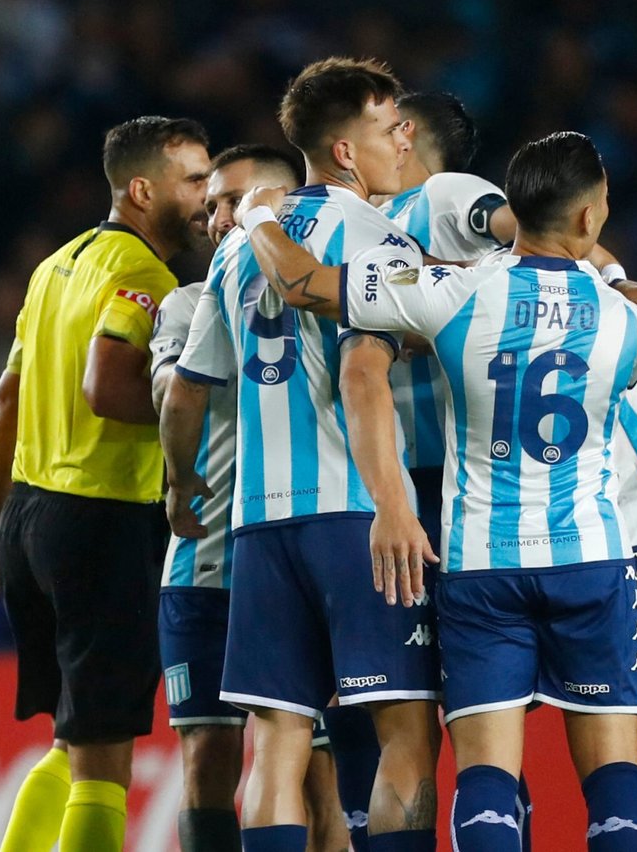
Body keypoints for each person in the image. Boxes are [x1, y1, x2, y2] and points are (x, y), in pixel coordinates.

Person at [237, 130, 637, 851]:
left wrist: (256, 219)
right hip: (589, 559)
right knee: (617, 771)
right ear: (591, 219)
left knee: (487, 774)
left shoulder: (452, 291)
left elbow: (306, 284)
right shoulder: (630, 324)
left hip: (482, 565)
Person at [162, 58, 440, 852]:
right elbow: (366, 372)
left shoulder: (230, 254)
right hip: (355, 517)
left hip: (256, 527)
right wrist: (394, 501)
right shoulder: (377, 235)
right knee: (405, 734)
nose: (404, 141)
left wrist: (183, 488)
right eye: (390, 128)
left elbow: (187, 395)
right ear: (346, 151)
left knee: (277, 744)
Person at [0, 115, 211, 852]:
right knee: (104, 760)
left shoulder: (57, 266)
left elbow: (8, 399)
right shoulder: (144, 277)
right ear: (140, 189)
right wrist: (206, 412)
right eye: (192, 179)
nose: (204, 195)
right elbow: (106, 387)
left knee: (70, 740)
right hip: (102, 521)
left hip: (30, 517)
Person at [150, 143, 349, 852]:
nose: (216, 219)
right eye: (209, 208)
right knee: (208, 762)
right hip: (206, 561)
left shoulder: (328, 287)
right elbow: (175, 396)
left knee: (321, 775)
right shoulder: (184, 306)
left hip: (302, 555)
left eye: (231, 202)